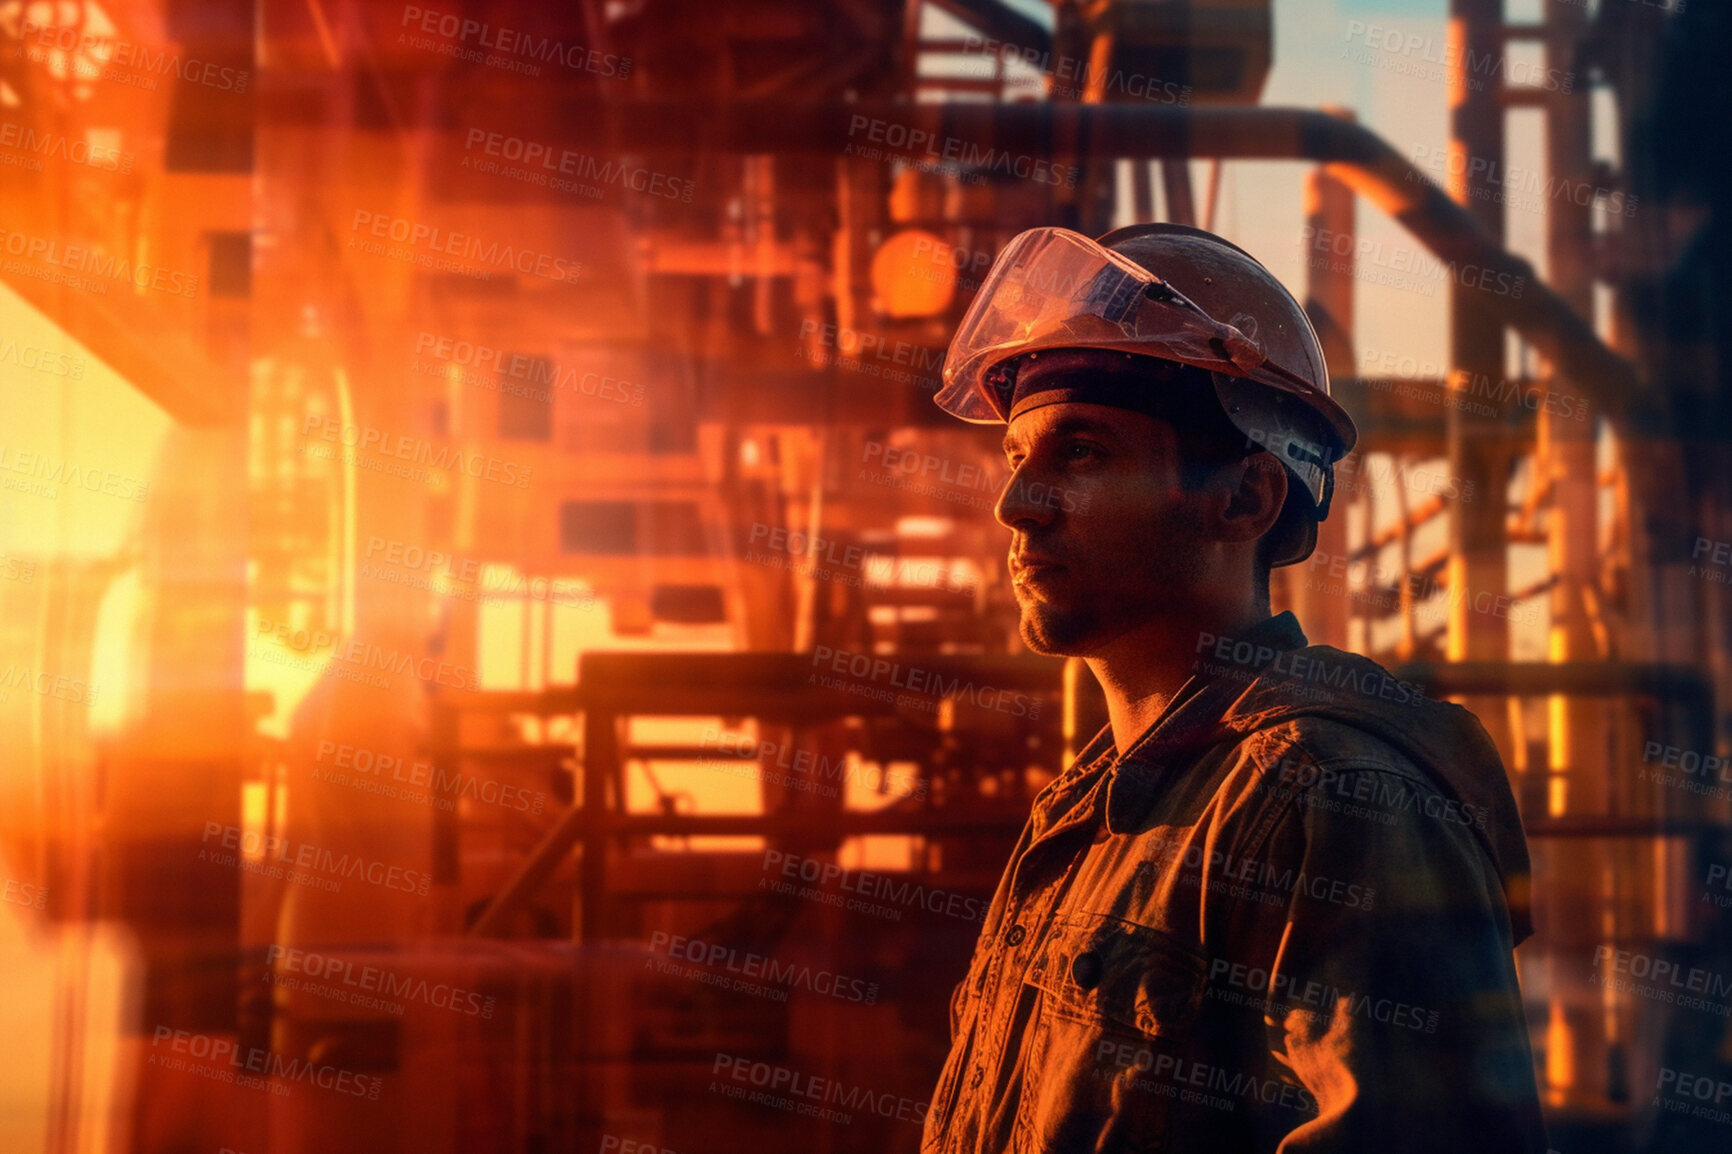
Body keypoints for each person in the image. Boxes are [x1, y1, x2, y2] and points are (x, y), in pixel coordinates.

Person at [918, 224, 1547, 1153]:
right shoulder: (1086, 812)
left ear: (1246, 499)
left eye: (1081, 453)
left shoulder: (1333, 798)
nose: (1018, 504)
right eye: (1018, 458)